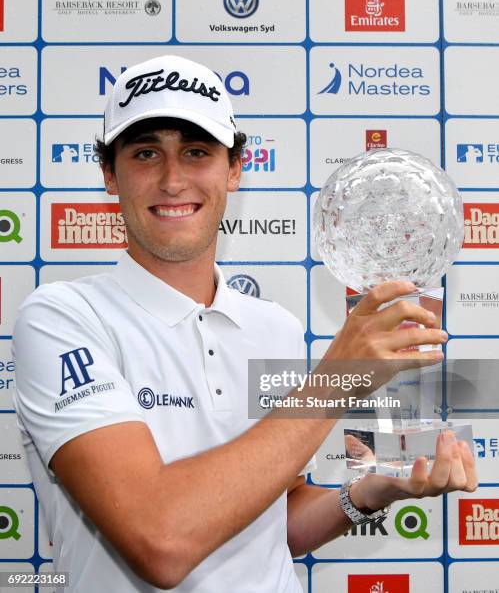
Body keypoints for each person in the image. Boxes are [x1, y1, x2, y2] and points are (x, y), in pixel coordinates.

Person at [12, 55, 477, 593]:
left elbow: (269, 524)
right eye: (145, 154)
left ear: (234, 169)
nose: (172, 180)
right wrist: (336, 380)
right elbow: (159, 540)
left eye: (196, 152)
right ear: (110, 175)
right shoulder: (62, 318)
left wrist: (370, 492)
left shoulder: (273, 327)